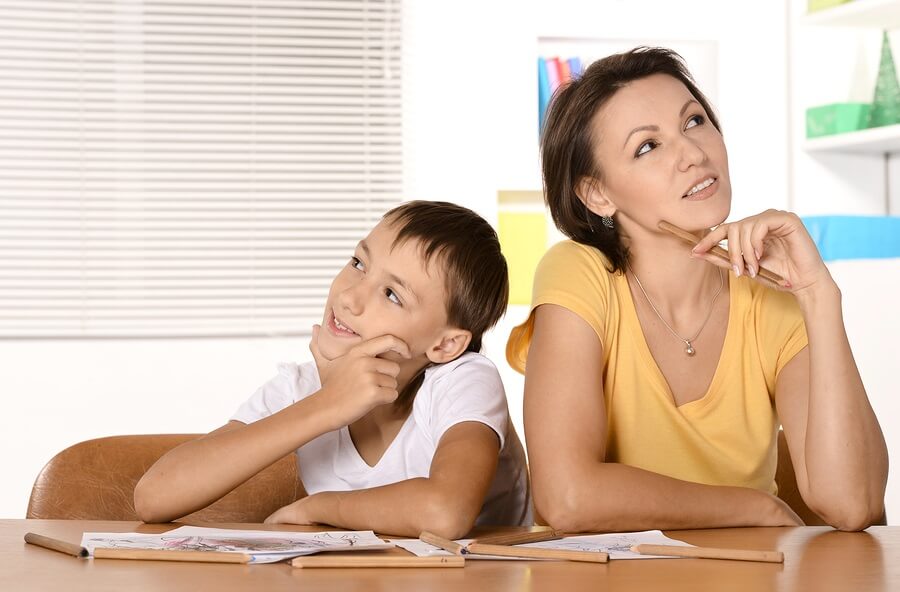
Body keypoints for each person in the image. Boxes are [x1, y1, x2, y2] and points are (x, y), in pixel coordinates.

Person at [507, 47, 887, 533]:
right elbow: (567, 497)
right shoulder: (578, 274)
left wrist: (818, 295)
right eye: (648, 146)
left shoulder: (772, 295)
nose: (693, 153)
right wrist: (754, 507)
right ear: (597, 194)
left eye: (694, 121)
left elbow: (852, 503)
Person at [135, 200, 530, 538]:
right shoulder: (303, 386)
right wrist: (327, 405)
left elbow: (445, 512)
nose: (350, 296)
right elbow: (154, 497)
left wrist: (318, 507)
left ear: (445, 345)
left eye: (392, 294)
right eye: (359, 262)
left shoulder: (464, 380)